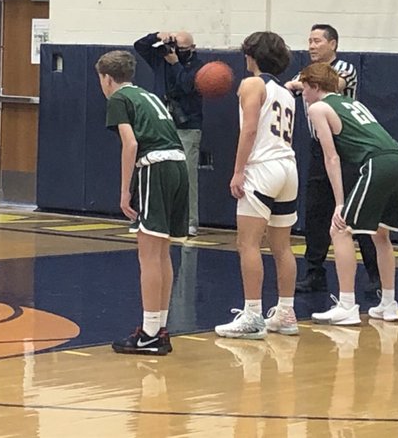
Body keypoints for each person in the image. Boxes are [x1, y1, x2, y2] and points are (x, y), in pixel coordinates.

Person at [299, 61, 398, 325]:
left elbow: (332, 157)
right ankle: (389, 303)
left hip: (376, 164)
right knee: (380, 234)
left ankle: (347, 305)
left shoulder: (318, 107)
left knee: (340, 229)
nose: (303, 95)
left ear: (315, 87)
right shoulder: (354, 103)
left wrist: (339, 203)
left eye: (305, 88)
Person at [96, 49, 189, 355]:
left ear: (108, 78)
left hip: (155, 167)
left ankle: (149, 334)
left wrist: (125, 190)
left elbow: (131, 143)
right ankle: (159, 329)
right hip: (178, 164)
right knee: (162, 253)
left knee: (148, 255)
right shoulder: (147, 95)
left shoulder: (119, 99)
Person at [214, 32, 301, 340]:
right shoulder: (287, 92)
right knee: (282, 246)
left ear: (250, 56)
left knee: (248, 244)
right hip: (288, 169)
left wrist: (238, 171)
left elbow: (249, 129)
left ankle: (252, 315)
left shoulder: (252, 84)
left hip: (262, 168)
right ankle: (286, 313)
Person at [285, 24, 380, 295]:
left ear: (333, 44)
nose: (311, 46)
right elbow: (289, 87)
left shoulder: (346, 68)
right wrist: (296, 83)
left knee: (356, 212)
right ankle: (315, 273)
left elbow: (331, 85)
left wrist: (297, 84)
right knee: (316, 213)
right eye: (309, 41)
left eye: (317, 41)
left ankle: (375, 276)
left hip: (348, 148)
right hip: (319, 147)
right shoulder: (306, 74)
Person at [133, 29, 202, 236]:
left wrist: (175, 63)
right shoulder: (161, 58)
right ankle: (153, 217)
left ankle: (190, 221)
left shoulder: (199, 67)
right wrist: (157, 36)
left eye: (181, 49)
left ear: (192, 48)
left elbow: (187, 86)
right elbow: (139, 46)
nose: (176, 51)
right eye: (174, 47)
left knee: (187, 174)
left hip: (188, 125)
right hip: (163, 124)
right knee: (156, 170)